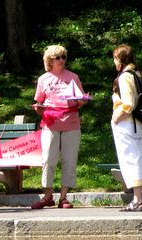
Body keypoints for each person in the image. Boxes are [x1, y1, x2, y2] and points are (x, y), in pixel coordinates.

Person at [31, 45, 87, 210]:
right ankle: (47, 196)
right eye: (58, 58)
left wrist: (82, 102)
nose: (62, 60)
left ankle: (63, 197)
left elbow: (80, 99)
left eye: (63, 57)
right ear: (50, 61)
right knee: (48, 159)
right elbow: (39, 101)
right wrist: (37, 108)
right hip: (50, 124)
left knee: (69, 160)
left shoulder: (73, 77)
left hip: (71, 123)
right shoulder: (43, 79)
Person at [111, 44, 142, 211]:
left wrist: (116, 117)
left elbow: (129, 103)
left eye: (115, 58)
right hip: (141, 124)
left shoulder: (124, 76)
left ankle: (136, 199)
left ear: (119, 59)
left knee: (130, 161)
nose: (114, 62)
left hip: (128, 125)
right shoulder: (139, 73)